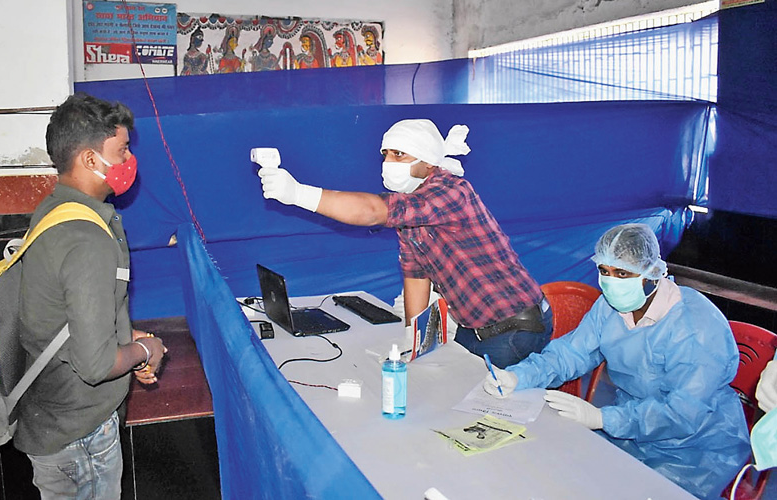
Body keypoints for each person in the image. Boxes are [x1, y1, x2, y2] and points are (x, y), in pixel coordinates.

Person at [483, 223, 750, 499]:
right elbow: (572, 353)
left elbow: (683, 414)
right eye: (604, 271)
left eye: (622, 273)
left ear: (652, 274)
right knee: (563, 475)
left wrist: (602, 417)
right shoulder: (610, 307)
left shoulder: (695, 328)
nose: (611, 282)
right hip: (628, 428)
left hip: (694, 450)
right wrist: (519, 376)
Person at [257, 119, 552, 367]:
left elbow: (374, 211)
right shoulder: (414, 210)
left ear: (427, 162)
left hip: (513, 329)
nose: (388, 163)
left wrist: (297, 194)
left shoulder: (450, 192)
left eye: (399, 154)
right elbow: (416, 277)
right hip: (475, 328)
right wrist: (414, 337)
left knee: (495, 417)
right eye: (385, 154)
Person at [15, 92, 167, 499]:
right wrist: (146, 350)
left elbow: (72, 314)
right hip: (80, 436)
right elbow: (97, 365)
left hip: (51, 416)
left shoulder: (53, 211)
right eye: (121, 151)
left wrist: (127, 339)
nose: (129, 161)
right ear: (88, 160)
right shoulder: (87, 239)